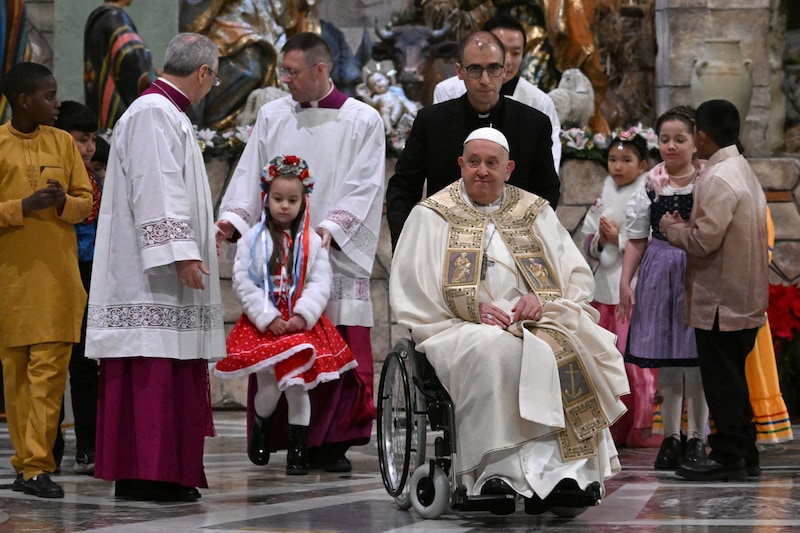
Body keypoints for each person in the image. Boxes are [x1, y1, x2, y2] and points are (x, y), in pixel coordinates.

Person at [390, 127, 628, 511]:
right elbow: (412, 285)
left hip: (536, 321)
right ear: (460, 165)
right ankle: (494, 472)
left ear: (509, 168)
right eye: (473, 162)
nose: (481, 171)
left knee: (566, 348)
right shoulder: (432, 214)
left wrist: (543, 298)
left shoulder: (534, 210)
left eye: (491, 163)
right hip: (458, 326)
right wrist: (470, 308)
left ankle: (565, 474)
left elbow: (575, 274)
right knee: (495, 352)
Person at [217, 32, 385, 473]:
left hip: (330, 250)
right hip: (276, 253)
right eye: (283, 71)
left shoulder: (362, 119)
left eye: (291, 72)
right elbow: (251, 171)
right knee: (279, 342)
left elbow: (366, 184)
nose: (284, 79)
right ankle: (277, 435)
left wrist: (328, 230)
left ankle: (331, 443)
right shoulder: (273, 114)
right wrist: (234, 220)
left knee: (335, 344)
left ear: (320, 70)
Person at [85, 33, 225, 502]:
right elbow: (155, 186)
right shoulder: (152, 113)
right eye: (215, 74)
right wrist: (181, 251)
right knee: (151, 372)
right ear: (203, 72)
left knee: (171, 367)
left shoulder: (165, 112)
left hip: (162, 274)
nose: (214, 83)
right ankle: (148, 475)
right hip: (151, 278)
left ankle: (164, 472)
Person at [215, 154, 357, 475]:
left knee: (298, 386)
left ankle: (297, 452)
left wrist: (304, 314)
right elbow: (244, 280)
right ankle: (261, 425)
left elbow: (320, 282)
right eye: (278, 199)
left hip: (298, 326)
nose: (284, 206)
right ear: (266, 199)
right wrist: (266, 317)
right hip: (267, 325)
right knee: (269, 388)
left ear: (304, 201)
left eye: (292, 200)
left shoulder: (312, 242)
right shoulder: (252, 240)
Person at [660, 99, 769, 482]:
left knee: (723, 384)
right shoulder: (740, 168)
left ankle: (728, 457)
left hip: (721, 301)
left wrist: (671, 227)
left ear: (703, 136)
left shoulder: (719, 177)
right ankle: (745, 452)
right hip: (742, 296)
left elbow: (705, 240)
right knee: (733, 380)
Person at [0, 62, 93, 498]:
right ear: (24, 101)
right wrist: (24, 205)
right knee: (17, 380)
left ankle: (37, 466)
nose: (57, 105)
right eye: (48, 97)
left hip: (58, 282)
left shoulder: (61, 143)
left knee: (49, 376)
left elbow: (86, 201)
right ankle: (25, 465)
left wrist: (60, 207)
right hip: (12, 283)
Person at [386, 30, 559, 249]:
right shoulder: (431, 122)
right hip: (443, 243)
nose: (485, 80)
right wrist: (407, 244)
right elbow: (402, 187)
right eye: (475, 69)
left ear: (505, 70)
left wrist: (529, 241)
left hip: (511, 249)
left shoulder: (534, 124)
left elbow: (547, 192)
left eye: (493, 68)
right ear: (459, 71)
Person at [617, 106, 708, 471]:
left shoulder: (706, 180)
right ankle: (671, 436)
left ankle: (698, 437)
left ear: (695, 142)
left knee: (697, 360)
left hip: (696, 272)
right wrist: (626, 281)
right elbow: (637, 238)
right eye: (665, 139)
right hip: (658, 272)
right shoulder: (651, 184)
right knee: (669, 361)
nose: (671, 146)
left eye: (679, 139)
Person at [580, 130, 659, 449]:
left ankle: (641, 426)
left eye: (626, 160)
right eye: (613, 159)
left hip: (634, 289)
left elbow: (654, 239)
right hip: (604, 290)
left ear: (641, 165)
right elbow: (588, 236)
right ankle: (613, 425)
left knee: (633, 361)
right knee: (606, 359)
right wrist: (600, 239)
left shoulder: (647, 193)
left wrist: (619, 240)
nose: (618, 166)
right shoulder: (605, 192)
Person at [433, 14, 561, 170]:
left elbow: (549, 162)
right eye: (501, 50)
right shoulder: (448, 91)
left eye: (515, 53)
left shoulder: (540, 102)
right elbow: (440, 152)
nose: (507, 60)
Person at [51, 101, 103, 476]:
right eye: (81, 139)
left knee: (85, 366)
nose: (88, 148)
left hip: (89, 274)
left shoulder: (95, 179)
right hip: (54, 273)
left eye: (90, 140)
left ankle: (89, 447)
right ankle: (48, 449)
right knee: (51, 365)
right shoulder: (50, 177)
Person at [84, 0, 154, 129]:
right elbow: (132, 56)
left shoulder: (99, 18)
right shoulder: (116, 19)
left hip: (98, 104)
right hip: (117, 109)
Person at [357, 71, 418, 135]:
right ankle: (389, 128)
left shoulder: (395, 92)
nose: (378, 84)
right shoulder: (377, 97)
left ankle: (395, 118)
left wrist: (412, 109)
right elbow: (372, 104)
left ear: (387, 80)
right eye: (374, 85)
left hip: (398, 110)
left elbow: (405, 101)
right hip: (386, 112)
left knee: (398, 104)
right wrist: (364, 96)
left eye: (379, 80)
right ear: (372, 90)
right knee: (384, 110)